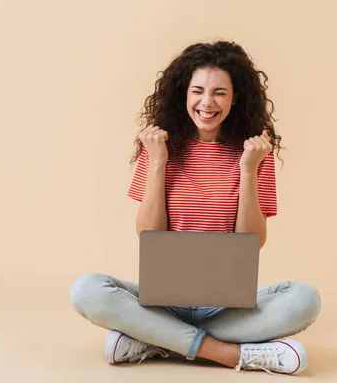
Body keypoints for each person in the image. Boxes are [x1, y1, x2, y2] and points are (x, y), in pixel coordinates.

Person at [70, 40, 322, 375]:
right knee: (87, 290)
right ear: (183, 95)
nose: (207, 102)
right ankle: (230, 354)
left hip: (225, 308)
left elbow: (252, 241)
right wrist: (158, 161)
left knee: (305, 300)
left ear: (235, 99)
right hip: (162, 303)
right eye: (198, 90)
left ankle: (155, 339)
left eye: (220, 92)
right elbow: (148, 234)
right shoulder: (158, 147)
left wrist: (248, 170)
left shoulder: (253, 154)